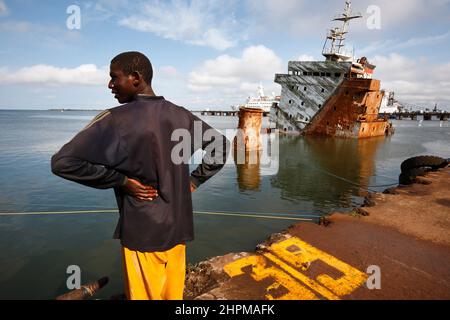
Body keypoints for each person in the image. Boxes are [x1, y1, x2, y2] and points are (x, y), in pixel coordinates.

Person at [51, 51, 229, 300]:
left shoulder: (115, 119)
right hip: (177, 228)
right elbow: (221, 146)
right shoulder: (181, 115)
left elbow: (62, 163)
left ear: (135, 78)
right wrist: (194, 181)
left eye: (114, 78)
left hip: (143, 231)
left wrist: (121, 181)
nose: (110, 85)